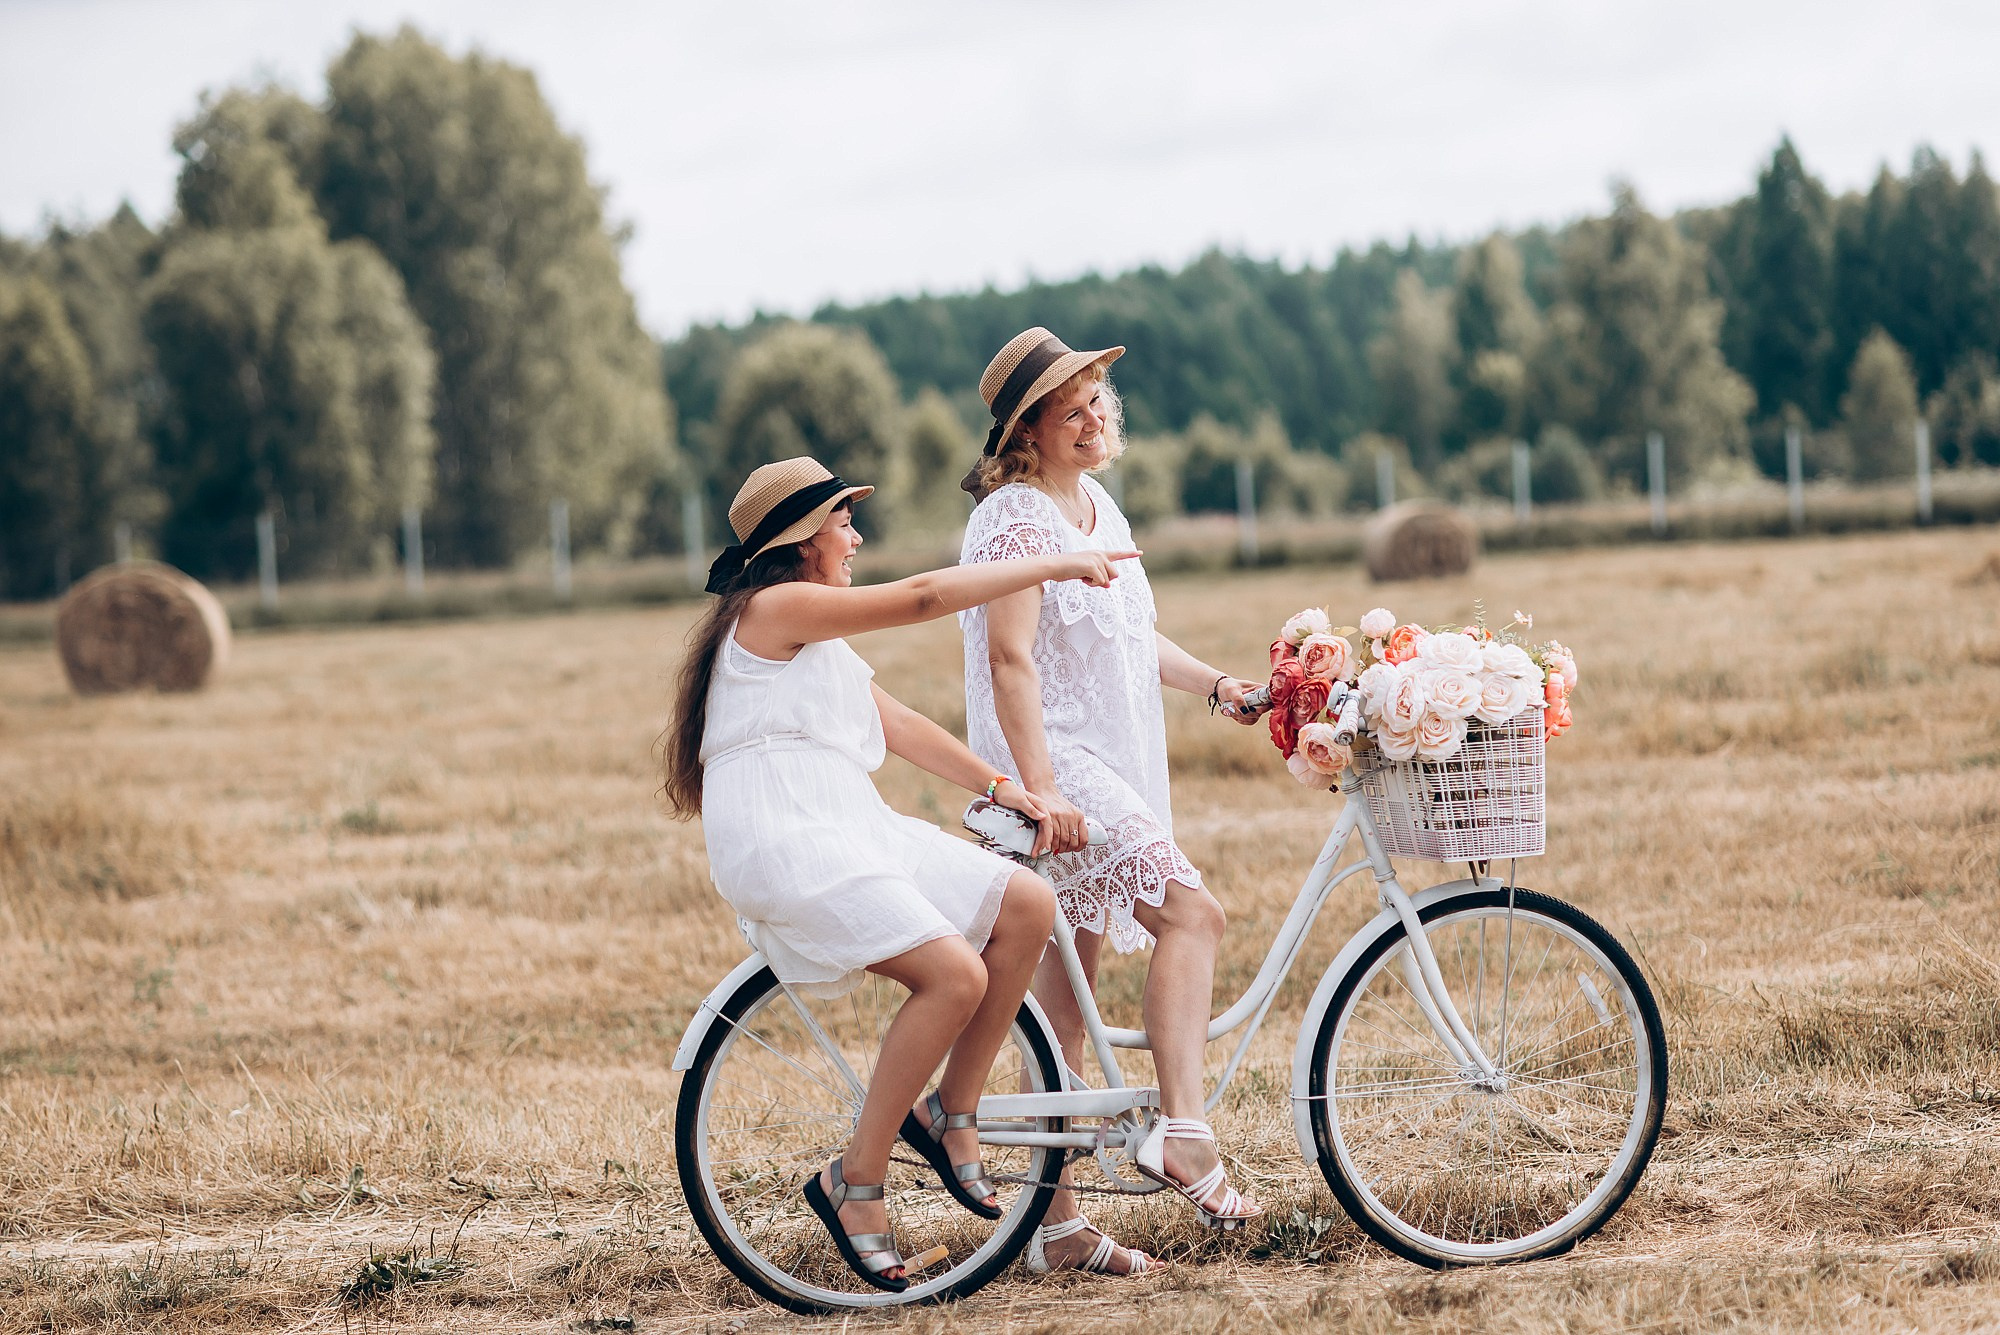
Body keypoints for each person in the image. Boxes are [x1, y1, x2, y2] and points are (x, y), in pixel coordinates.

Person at [661, 456, 1137, 1292]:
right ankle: (857, 1180)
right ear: (805, 539)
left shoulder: (812, 632)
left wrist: (1000, 787)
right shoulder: (775, 607)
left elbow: (899, 722)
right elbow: (921, 597)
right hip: (787, 832)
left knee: (1025, 903)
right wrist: (1058, 560)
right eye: (845, 522)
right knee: (953, 971)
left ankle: (950, 1111)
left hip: (850, 823)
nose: (857, 536)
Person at [958, 329, 1266, 1275]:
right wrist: (1042, 789)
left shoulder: (1094, 503)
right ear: (1029, 432)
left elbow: (1137, 640)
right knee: (1193, 913)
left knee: (1061, 1009)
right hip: (1056, 763)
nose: (1096, 417)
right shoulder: (1014, 520)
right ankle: (1184, 1132)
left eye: (1099, 399)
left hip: (1110, 762)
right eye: (1072, 408)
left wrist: (1221, 688)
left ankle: (1054, 1229)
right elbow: (1011, 660)